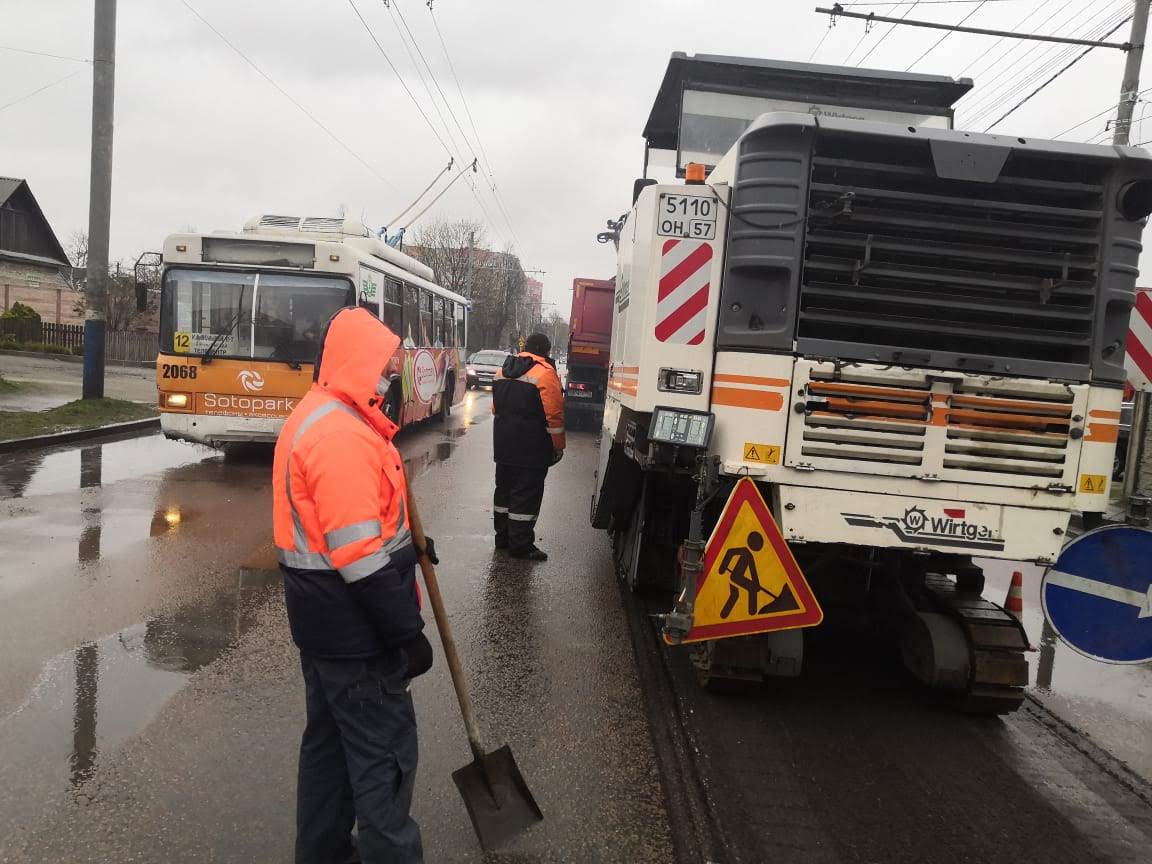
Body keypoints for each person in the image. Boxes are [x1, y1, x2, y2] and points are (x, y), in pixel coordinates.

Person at [273, 306, 433, 864]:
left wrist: (410, 548)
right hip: (357, 635)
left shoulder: (320, 415)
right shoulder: (342, 436)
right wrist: (407, 633)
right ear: (357, 362)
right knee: (383, 762)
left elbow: (349, 530)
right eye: (384, 364)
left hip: (323, 631)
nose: (390, 374)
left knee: (330, 753)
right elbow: (359, 555)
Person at [491, 332, 565, 560]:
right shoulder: (545, 374)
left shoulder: (502, 370)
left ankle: (502, 538)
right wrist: (557, 446)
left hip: (503, 445)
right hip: (531, 447)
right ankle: (521, 545)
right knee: (526, 494)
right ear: (546, 350)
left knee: (503, 491)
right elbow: (554, 415)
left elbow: (495, 408)